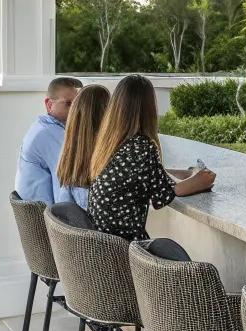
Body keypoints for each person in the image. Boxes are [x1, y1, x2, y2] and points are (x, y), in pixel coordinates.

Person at [88, 74, 214, 240]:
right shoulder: (142, 145)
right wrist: (203, 179)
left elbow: (152, 175)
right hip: (125, 247)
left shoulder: (110, 143)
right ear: (148, 108)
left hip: (103, 243)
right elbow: (168, 192)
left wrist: (190, 173)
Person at [15, 77, 83, 203]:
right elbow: (65, 186)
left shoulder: (42, 126)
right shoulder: (48, 133)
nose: (75, 111)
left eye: (78, 105)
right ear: (49, 104)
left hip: (37, 213)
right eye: (68, 104)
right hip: (42, 217)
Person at [54, 83, 110, 210]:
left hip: (69, 228)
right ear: (106, 114)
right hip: (94, 229)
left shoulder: (68, 158)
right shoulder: (106, 161)